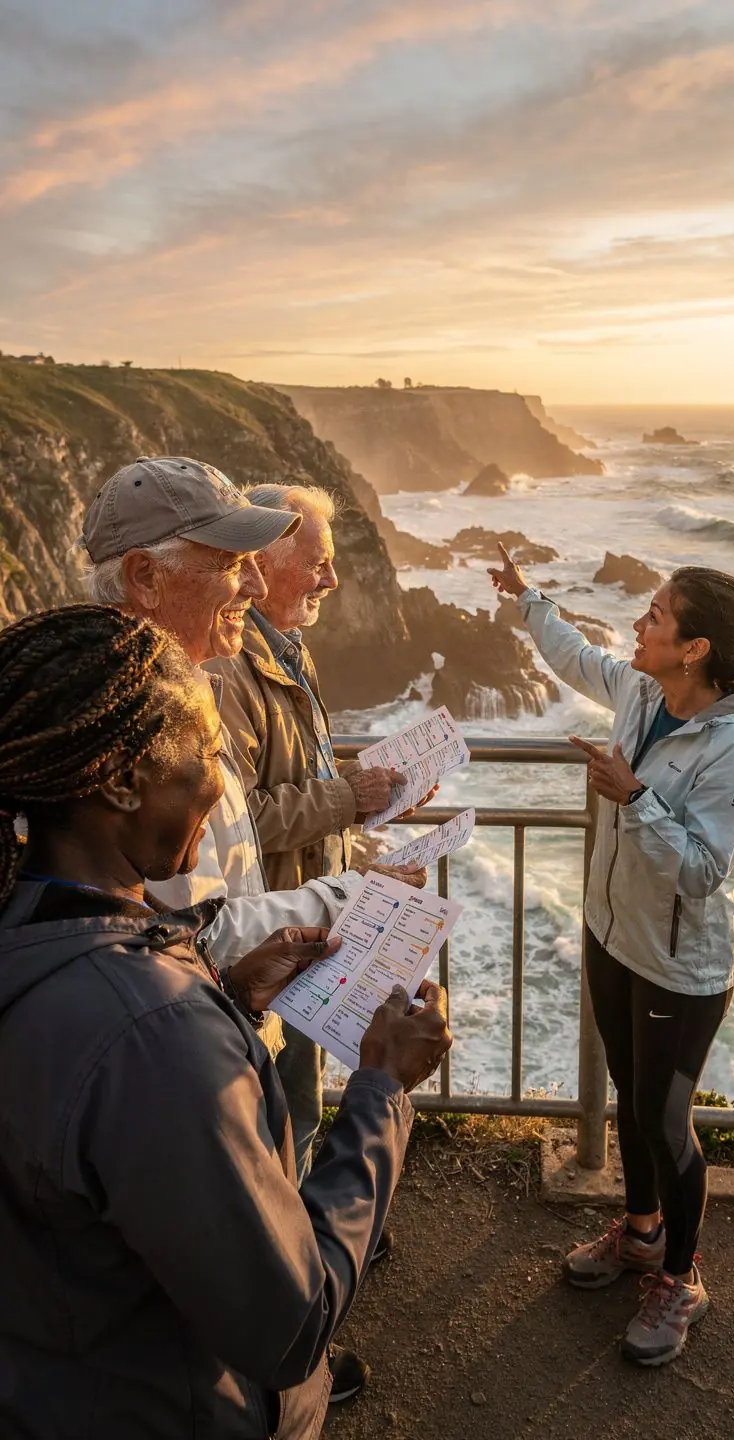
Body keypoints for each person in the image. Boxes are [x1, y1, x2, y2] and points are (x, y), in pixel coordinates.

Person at [0, 603, 452, 1440]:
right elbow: (292, 1322)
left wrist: (230, 1000)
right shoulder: (151, 1034)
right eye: (210, 754)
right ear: (119, 782)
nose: (223, 787)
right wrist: (382, 1090)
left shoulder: (36, 931)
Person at [78, 454, 425, 1399]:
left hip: (217, 1011)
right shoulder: (133, 732)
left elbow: (200, 911)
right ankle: (269, 1378)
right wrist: (355, 898)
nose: (250, 585)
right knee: (232, 1247)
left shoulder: (170, 692)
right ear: (145, 578)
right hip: (184, 1046)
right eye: (228, 563)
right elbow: (191, 922)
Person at [488, 544, 734, 1367]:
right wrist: (527, 597)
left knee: (665, 1120)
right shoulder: (644, 690)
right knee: (632, 1098)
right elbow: (578, 657)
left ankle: (681, 1279)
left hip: (678, 966)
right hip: (612, 934)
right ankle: (641, 1232)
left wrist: (636, 797)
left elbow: (703, 871)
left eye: (654, 615)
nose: (638, 622)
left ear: (694, 649)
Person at [208, 480, 430, 1189]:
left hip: (303, 922)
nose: (332, 580)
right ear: (261, 563)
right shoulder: (229, 669)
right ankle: (299, 1237)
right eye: (317, 563)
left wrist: (363, 798)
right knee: (282, 1110)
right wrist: (345, 798)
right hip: (269, 935)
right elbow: (241, 819)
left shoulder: (286, 649)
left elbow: (297, 777)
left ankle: (302, 1221)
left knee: (298, 1101)